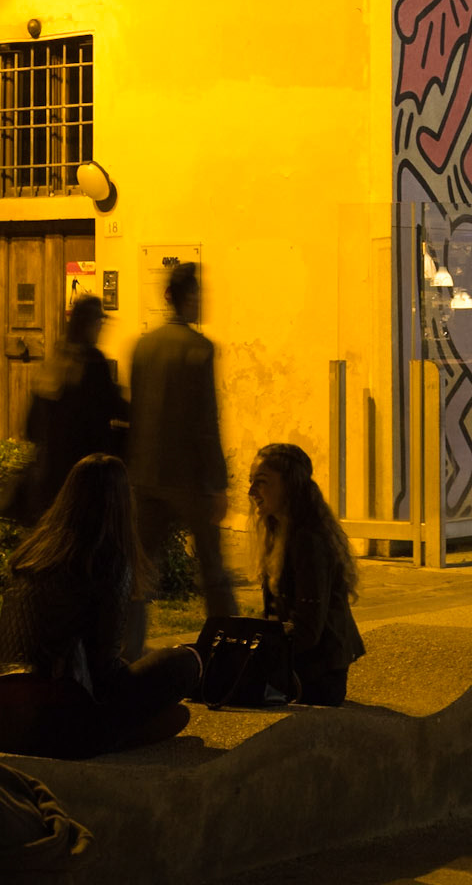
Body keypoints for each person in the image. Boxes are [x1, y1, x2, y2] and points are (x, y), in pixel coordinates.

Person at [0, 454, 200, 758]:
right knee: (185, 662)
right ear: (123, 503)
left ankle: (115, 732)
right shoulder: (108, 560)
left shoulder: (32, 555)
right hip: (51, 721)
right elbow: (104, 672)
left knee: (170, 713)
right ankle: (108, 734)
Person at [126, 262, 234, 646]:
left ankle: (128, 648)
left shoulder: (143, 346)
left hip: (146, 476)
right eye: (198, 295)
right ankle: (227, 644)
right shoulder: (199, 348)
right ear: (189, 298)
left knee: (139, 570)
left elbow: (135, 411)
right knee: (212, 570)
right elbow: (206, 420)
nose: (201, 302)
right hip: (190, 479)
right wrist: (218, 483)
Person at [248, 444, 365, 707]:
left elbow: (308, 631)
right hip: (293, 665)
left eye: (261, 482)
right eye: (251, 481)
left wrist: (261, 659)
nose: (251, 492)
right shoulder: (278, 531)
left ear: (290, 485)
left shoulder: (308, 541)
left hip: (318, 677)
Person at [23, 295, 126, 523]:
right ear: (89, 325)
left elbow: (31, 425)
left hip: (51, 473)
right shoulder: (93, 361)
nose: (101, 329)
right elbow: (111, 406)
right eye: (99, 323)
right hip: (83, 471)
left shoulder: (56, 358)